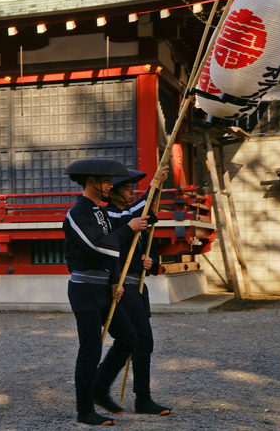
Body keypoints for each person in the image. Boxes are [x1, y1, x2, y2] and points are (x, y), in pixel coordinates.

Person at [63, 159, 149, 426]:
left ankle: (100, 387)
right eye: (106, 181)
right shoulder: (78, 212)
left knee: (128, 337)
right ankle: (84, 410)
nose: (111, 185)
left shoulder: (98, 211)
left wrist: (114, 279)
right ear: (91, 183)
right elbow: (96, 246)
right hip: (84, 289)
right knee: (90, 349)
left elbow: (113, 253)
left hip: (103, 287)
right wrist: (129, 228)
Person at [100, 166, 173, 416]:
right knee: (141, 339)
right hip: (120, 284)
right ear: (114, 193)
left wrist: (151, 261)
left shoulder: (132, 215)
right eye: (128, 188)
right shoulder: (108, 216)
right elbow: (130, 219)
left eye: (134, 189)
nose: (133, 192)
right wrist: (154, 185)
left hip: (137, 284)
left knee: (135, 341)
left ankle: (100, 386)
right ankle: (141, 398)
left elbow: (145, 247)